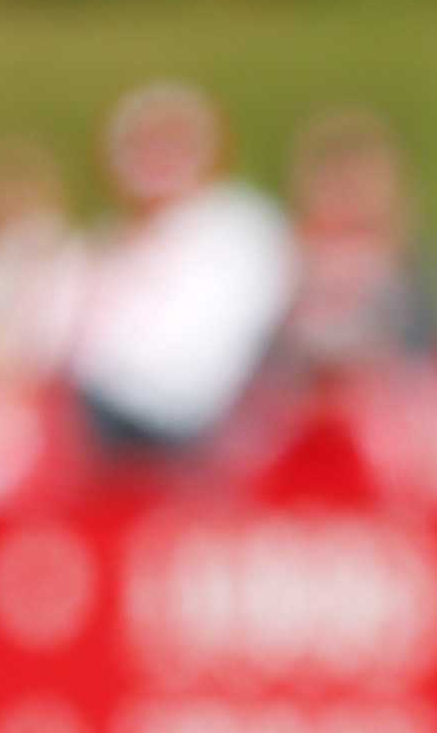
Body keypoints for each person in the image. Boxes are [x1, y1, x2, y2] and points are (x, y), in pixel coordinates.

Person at [64, 82, 297, 469]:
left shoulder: (239, 226)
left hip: (201, 425)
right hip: (110, 423)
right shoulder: (100, 247)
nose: (155, 161)